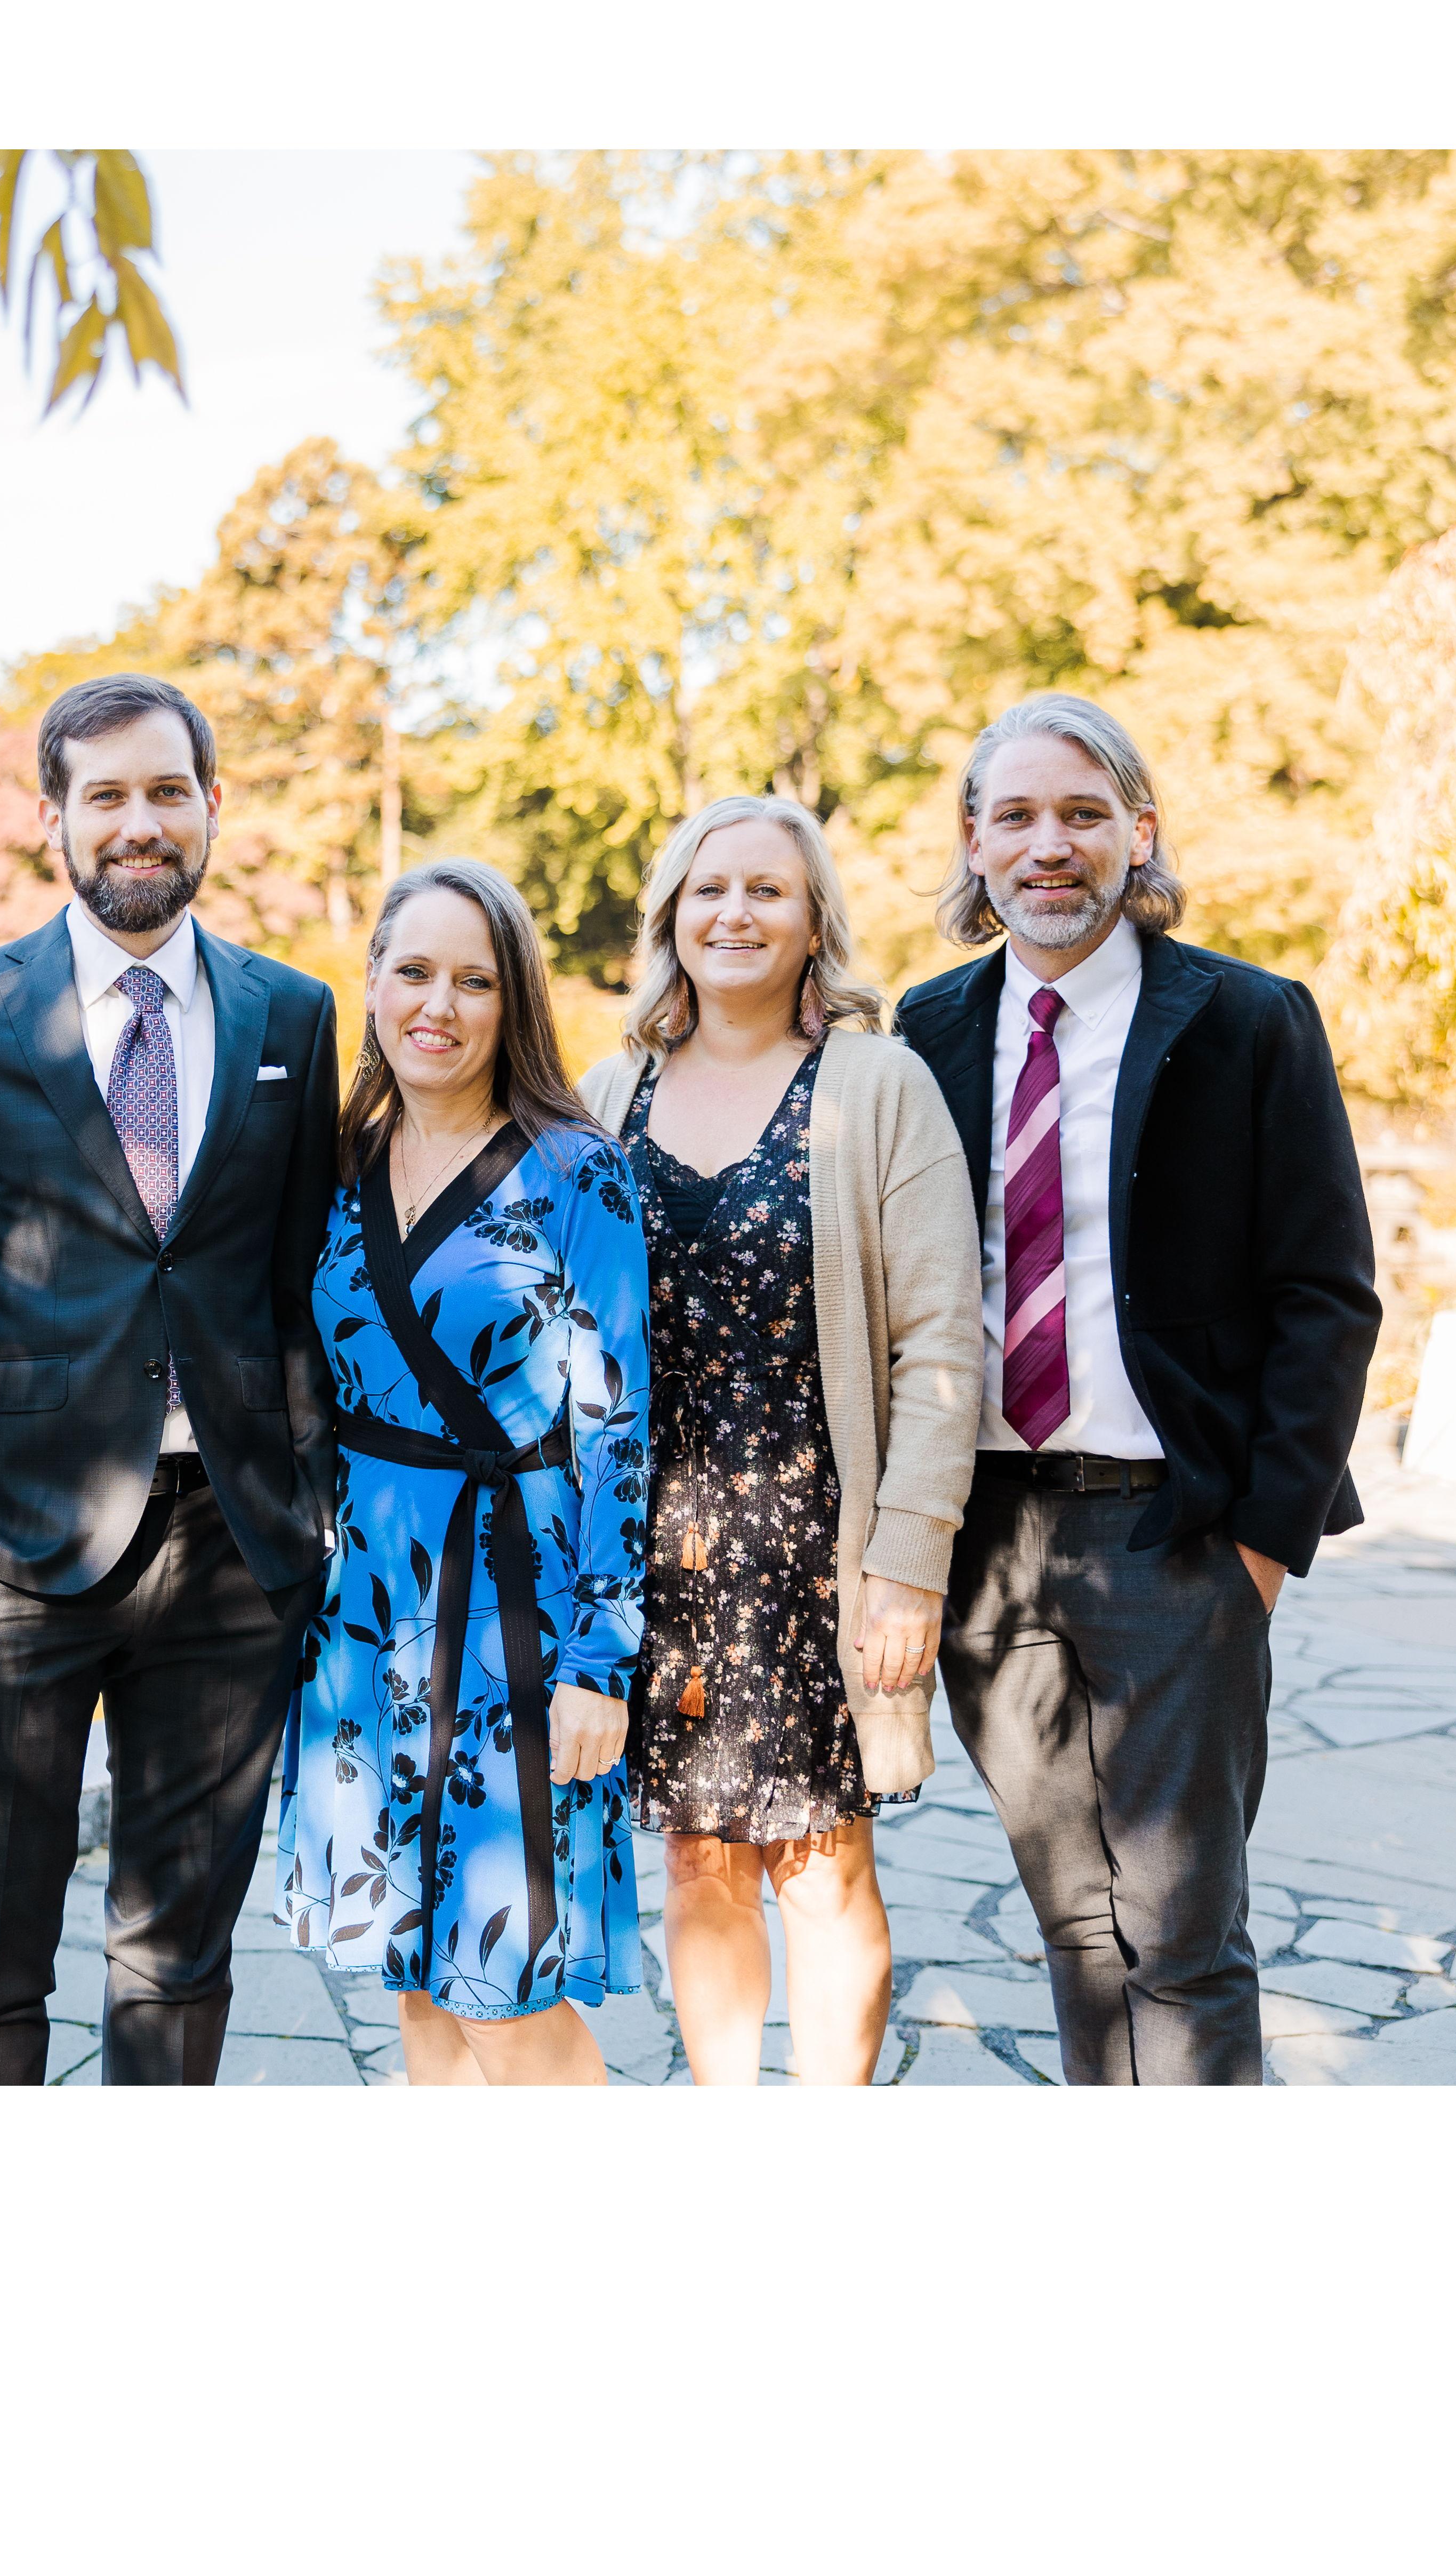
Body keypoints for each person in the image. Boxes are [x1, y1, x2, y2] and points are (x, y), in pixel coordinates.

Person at [895, 693, 1381, 2085]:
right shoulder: (925, 1032)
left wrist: (1260, 1548)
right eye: (1016, 816)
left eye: (1083, 814)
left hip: (1179, 1533)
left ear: (1140, 833)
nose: (1049, 845)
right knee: (1077, 1927)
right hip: (988, 1537)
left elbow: (1328, 1296)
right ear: (975, 843)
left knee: (1180, 1928)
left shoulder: (1248, 1019)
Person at [0, 674, 341, 2086]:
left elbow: (296, 1272)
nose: (139, 822)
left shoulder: (293, 1014)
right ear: (54, 819)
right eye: (106, 796)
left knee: (179, 1949)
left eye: (166, 791)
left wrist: (309, 1496)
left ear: (213, 805)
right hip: (12, 1543)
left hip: (235, 1547)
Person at [577, 797, 983, 2086]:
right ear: (671, 919)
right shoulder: (607, 1095)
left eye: (767, 890)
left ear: (815, 923)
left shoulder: (880, 1087)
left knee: (822, 1868)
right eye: (709, 890)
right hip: (655, 1560)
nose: (735, 914)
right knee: (698, 1863)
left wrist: (909, 1558)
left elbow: (941, 1341)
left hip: (819, 1555)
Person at [281, 860, 654, 2081]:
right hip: (366, 1616)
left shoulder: (574, 1170)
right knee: (414, 1980)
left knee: (505, 1989)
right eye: (414, 971)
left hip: (518, 1613)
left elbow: (617, 1427)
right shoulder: (339, 1165)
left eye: (474, 981)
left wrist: (602, 1663)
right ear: (373, 983)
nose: (438, 1004)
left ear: (514, 1001)